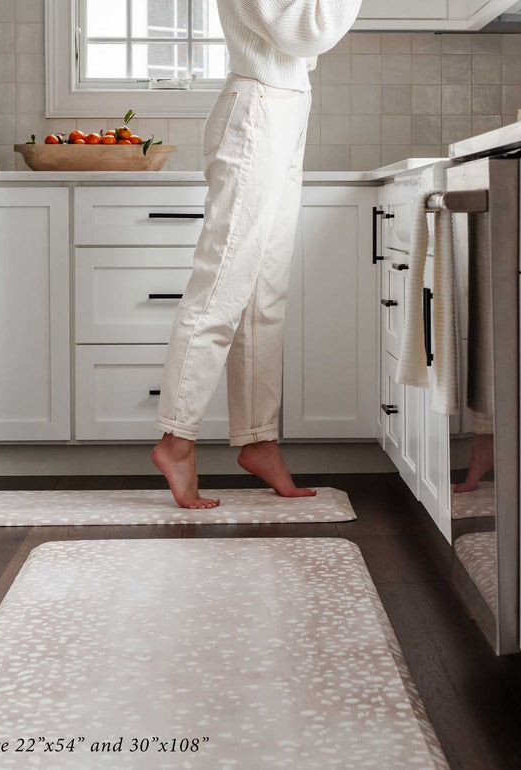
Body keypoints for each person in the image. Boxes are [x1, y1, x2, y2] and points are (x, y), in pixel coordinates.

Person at [152, 0, 363, 509]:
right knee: (221, 286)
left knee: (265, 291)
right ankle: (176, 439)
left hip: (286, 106)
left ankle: (258, 439)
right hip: (257, 110)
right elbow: (308, 30)